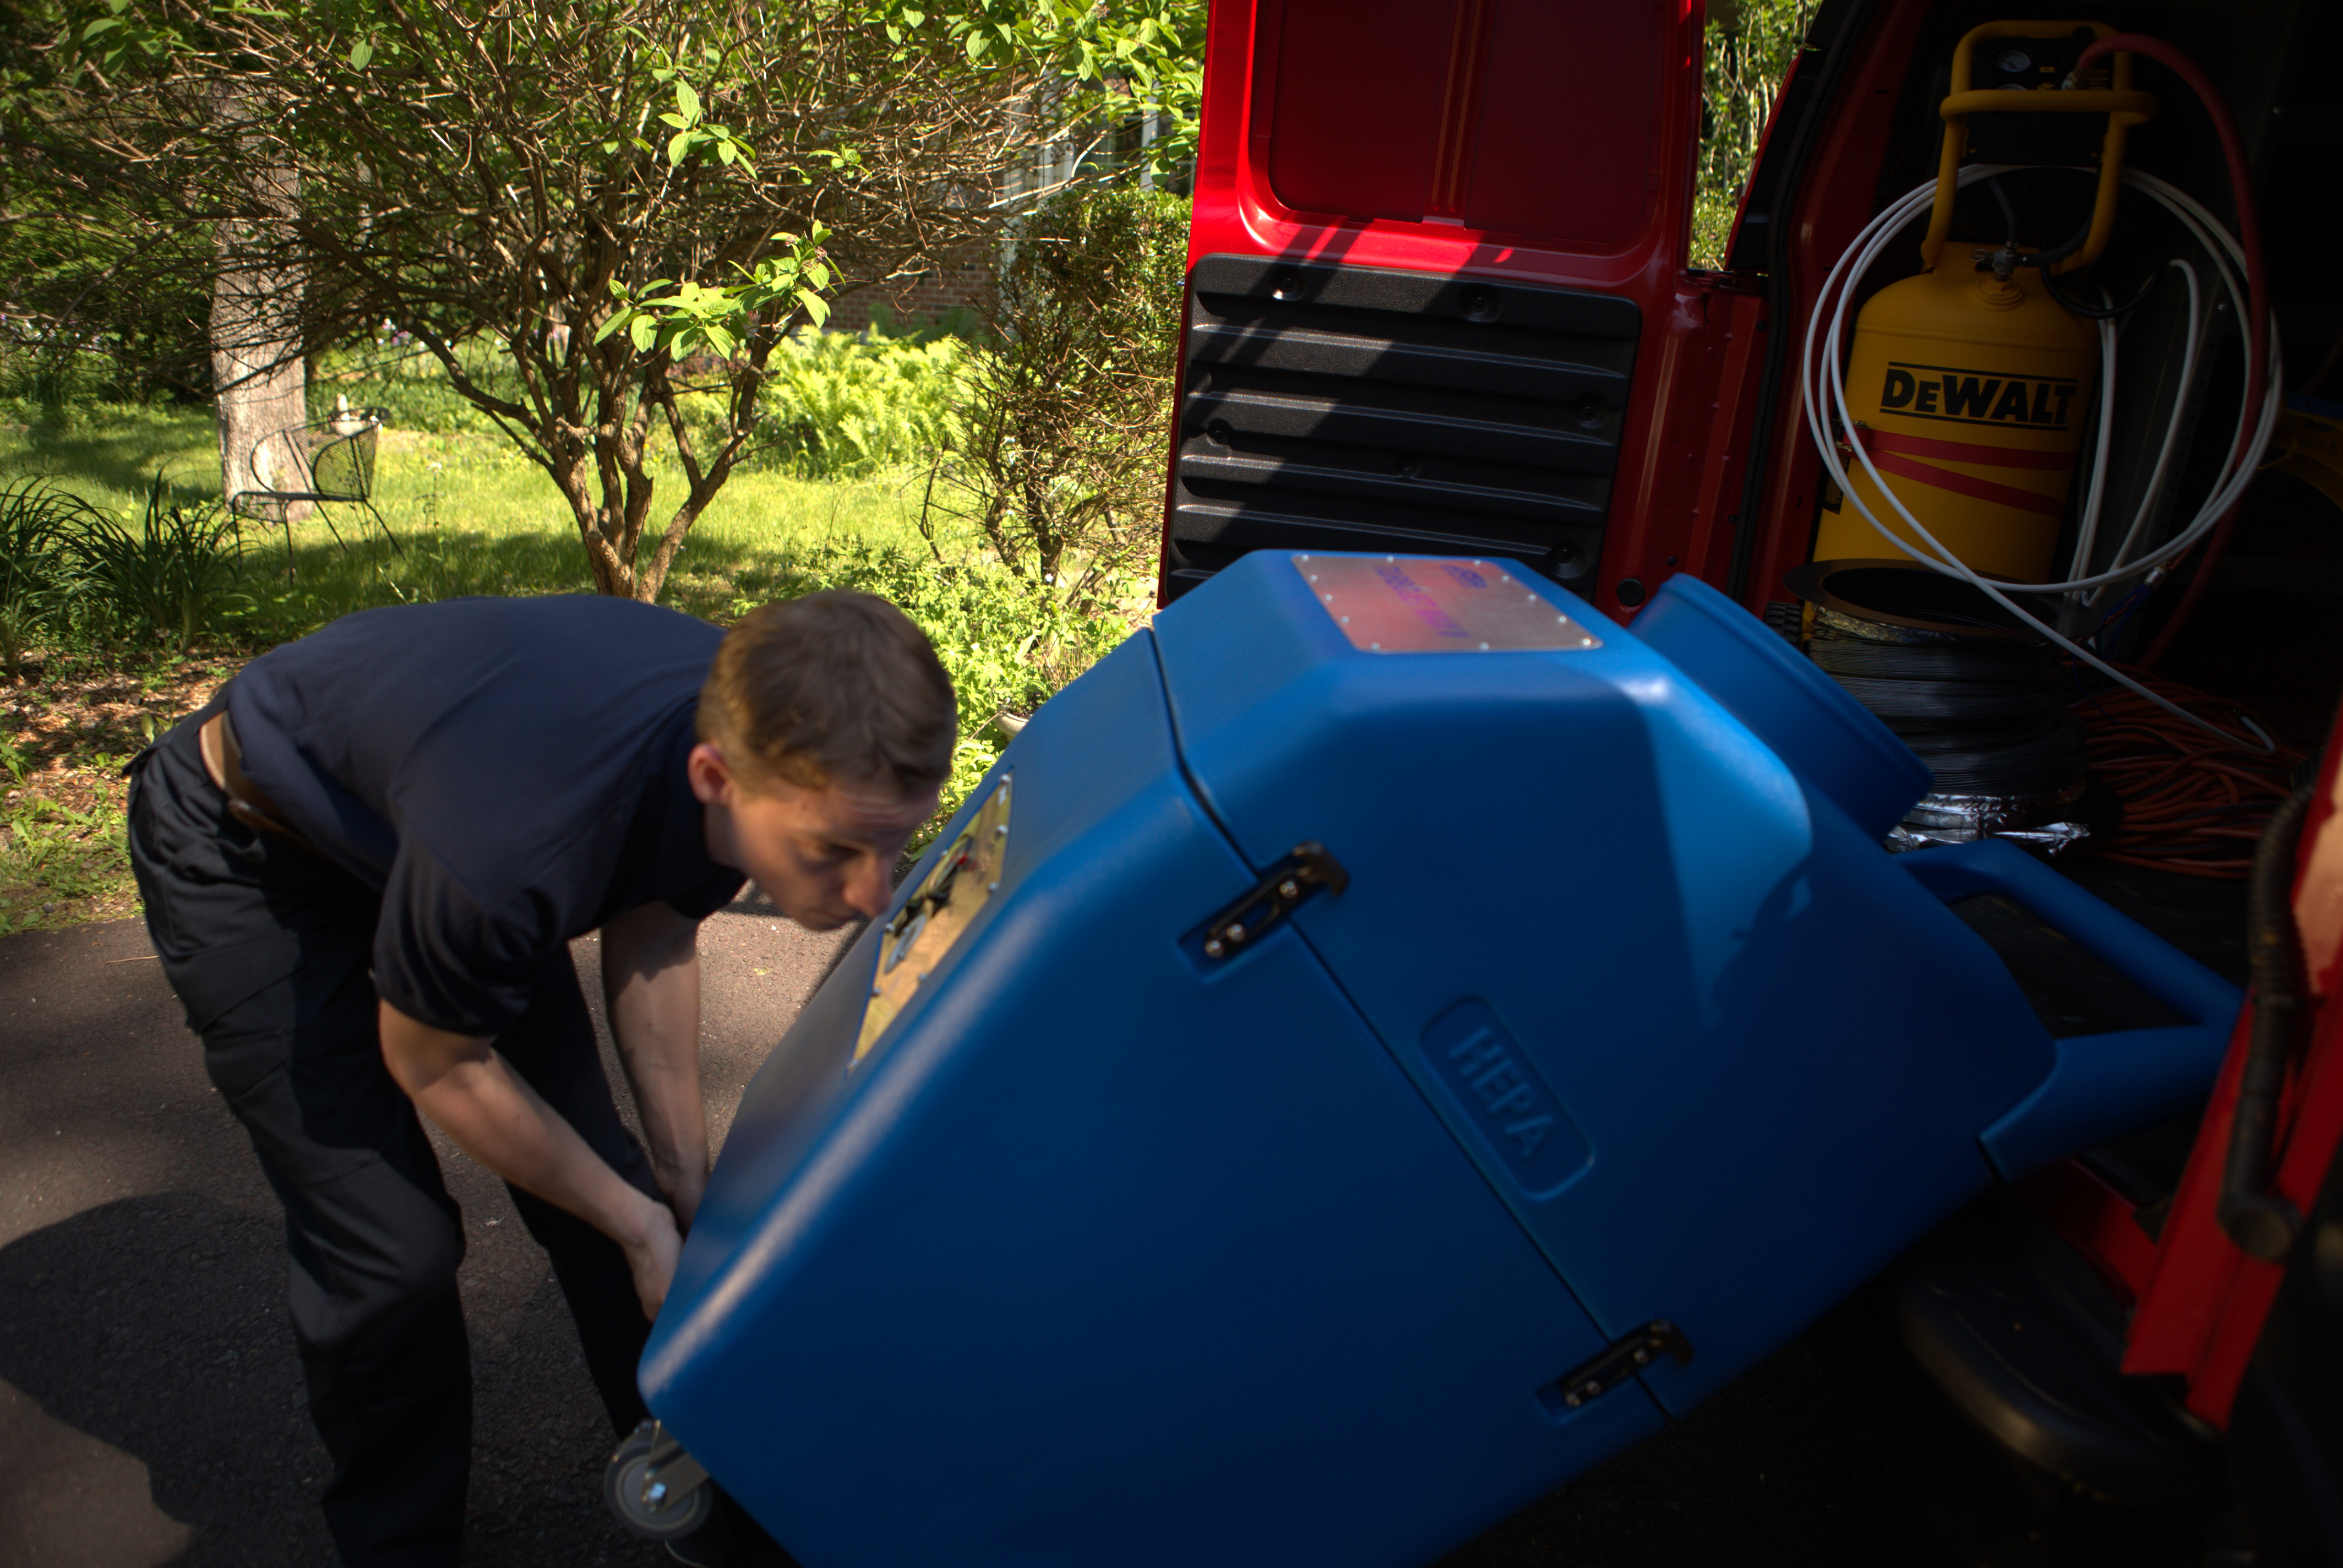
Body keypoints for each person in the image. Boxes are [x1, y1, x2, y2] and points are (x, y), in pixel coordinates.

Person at [126, 590, 956, 1566]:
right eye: (836, 853)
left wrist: (682, 1185)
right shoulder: (522, 838)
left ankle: (710, 1503)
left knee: (625, 1196)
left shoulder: (761, 733)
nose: (874, 894)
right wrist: (641, 1221)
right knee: (392, 1257)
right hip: (256, 847)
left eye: (897, 843)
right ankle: (399, 1548)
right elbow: (435, 1061)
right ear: (714, 778)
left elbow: (655, 936)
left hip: (432, 828)